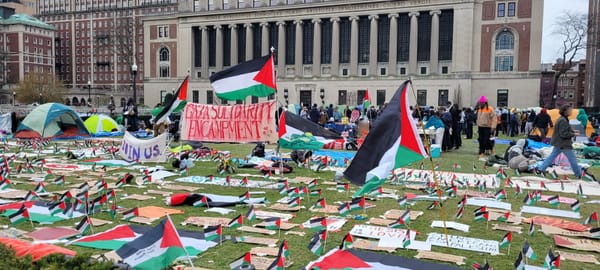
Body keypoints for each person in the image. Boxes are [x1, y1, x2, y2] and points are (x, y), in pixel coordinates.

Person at [535, 105, 588, 179]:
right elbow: (563, 134)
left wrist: (573, 131)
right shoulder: (563, 120)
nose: (571, 111)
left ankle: (540, 169)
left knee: (551, 157)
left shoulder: (563, 119)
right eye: (570, 110)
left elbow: (565, 130)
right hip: (563, 144)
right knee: (572, 159)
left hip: (558, 143)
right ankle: (578, 174)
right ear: (565, 111)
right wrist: (573, 134)